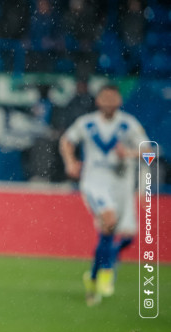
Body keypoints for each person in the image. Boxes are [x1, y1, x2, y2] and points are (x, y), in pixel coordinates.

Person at [59, 84, 147, 306]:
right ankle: (107, 271)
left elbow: (150, 153)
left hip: (122, 186)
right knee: (109, 221)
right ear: (98, 101)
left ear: (119, 101)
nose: (108, 101)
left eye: (112, 97)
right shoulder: (86, 123)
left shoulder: (128, 124)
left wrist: (128, 153)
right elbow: (66, 141)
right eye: (104, 97)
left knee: (126, 237)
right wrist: (70, 162)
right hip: (94, 183)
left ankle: (95, 275)